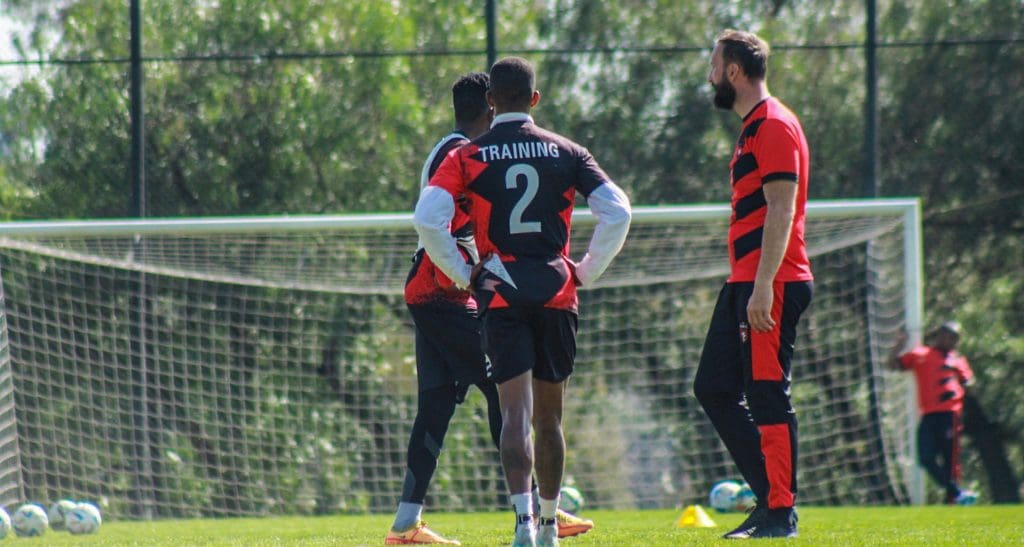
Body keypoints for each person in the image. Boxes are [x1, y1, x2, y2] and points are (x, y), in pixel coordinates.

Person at [414, 57, 631, 547]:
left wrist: (464, 273)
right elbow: (618, 212)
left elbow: (427, 218)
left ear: (491, 101)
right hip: (556, 292)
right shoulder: (568, 151)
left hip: (501, 294)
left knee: (514, 415)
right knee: (550, 418)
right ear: (535, 99)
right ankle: (551, 526)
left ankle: (523, 527)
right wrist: (586, 270)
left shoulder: (469, 155)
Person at [692, 30, 813, 540]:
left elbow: (782, 209)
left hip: (771, 282)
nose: (710, 76)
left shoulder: (774, 124)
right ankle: (770, 499)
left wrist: (764, 286)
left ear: (734, 71)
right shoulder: (751, 128)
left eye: (714, 66)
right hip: (745, 281)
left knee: (766, 394)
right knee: (714, 388)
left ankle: (780, 513)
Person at [888, 321, 977, 505]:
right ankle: (957, 493)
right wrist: (899, 345)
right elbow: (893, 364)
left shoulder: (957, 360)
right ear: (939, 336)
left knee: (950, 460)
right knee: (925, 457)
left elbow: (968, 381)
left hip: (950, 415)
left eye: (954, 337)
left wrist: (958, 384)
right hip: (929, 415)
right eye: (946, 335)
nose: (949, 340)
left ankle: (953, 500)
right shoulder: (921, 354)